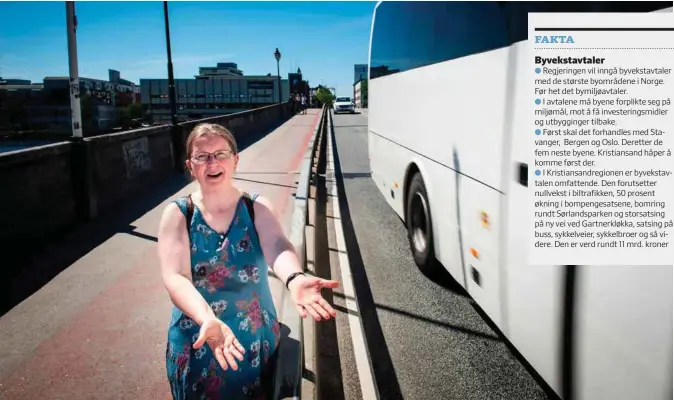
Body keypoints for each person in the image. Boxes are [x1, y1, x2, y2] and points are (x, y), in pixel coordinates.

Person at [157, 122, 339, 399]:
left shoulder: (256, 208)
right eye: (202, 156)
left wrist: (294, 278)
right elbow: (175, 278)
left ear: (235, 160)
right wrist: (206, 317)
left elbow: (277, 245)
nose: (212, 163)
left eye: (220, 154)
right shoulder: (178, 214)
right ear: (190, 166)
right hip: (199, 338)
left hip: (252, 340)